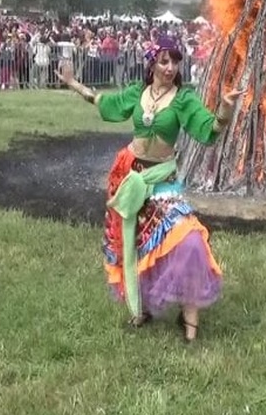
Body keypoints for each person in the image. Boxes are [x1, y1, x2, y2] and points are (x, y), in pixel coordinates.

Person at [58, 36, 244, 343]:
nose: (171, 68)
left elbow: (209, 129)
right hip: (130, 177)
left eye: (175, 61)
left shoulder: (183, 100)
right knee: (133, 245)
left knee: (191, 240)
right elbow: (104, 103)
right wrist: (72, 83)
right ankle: (140, 308)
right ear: (152, 63)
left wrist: (225, 109)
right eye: (164, 61)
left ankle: (190, 322)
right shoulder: (136, 93)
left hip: (162, 182)